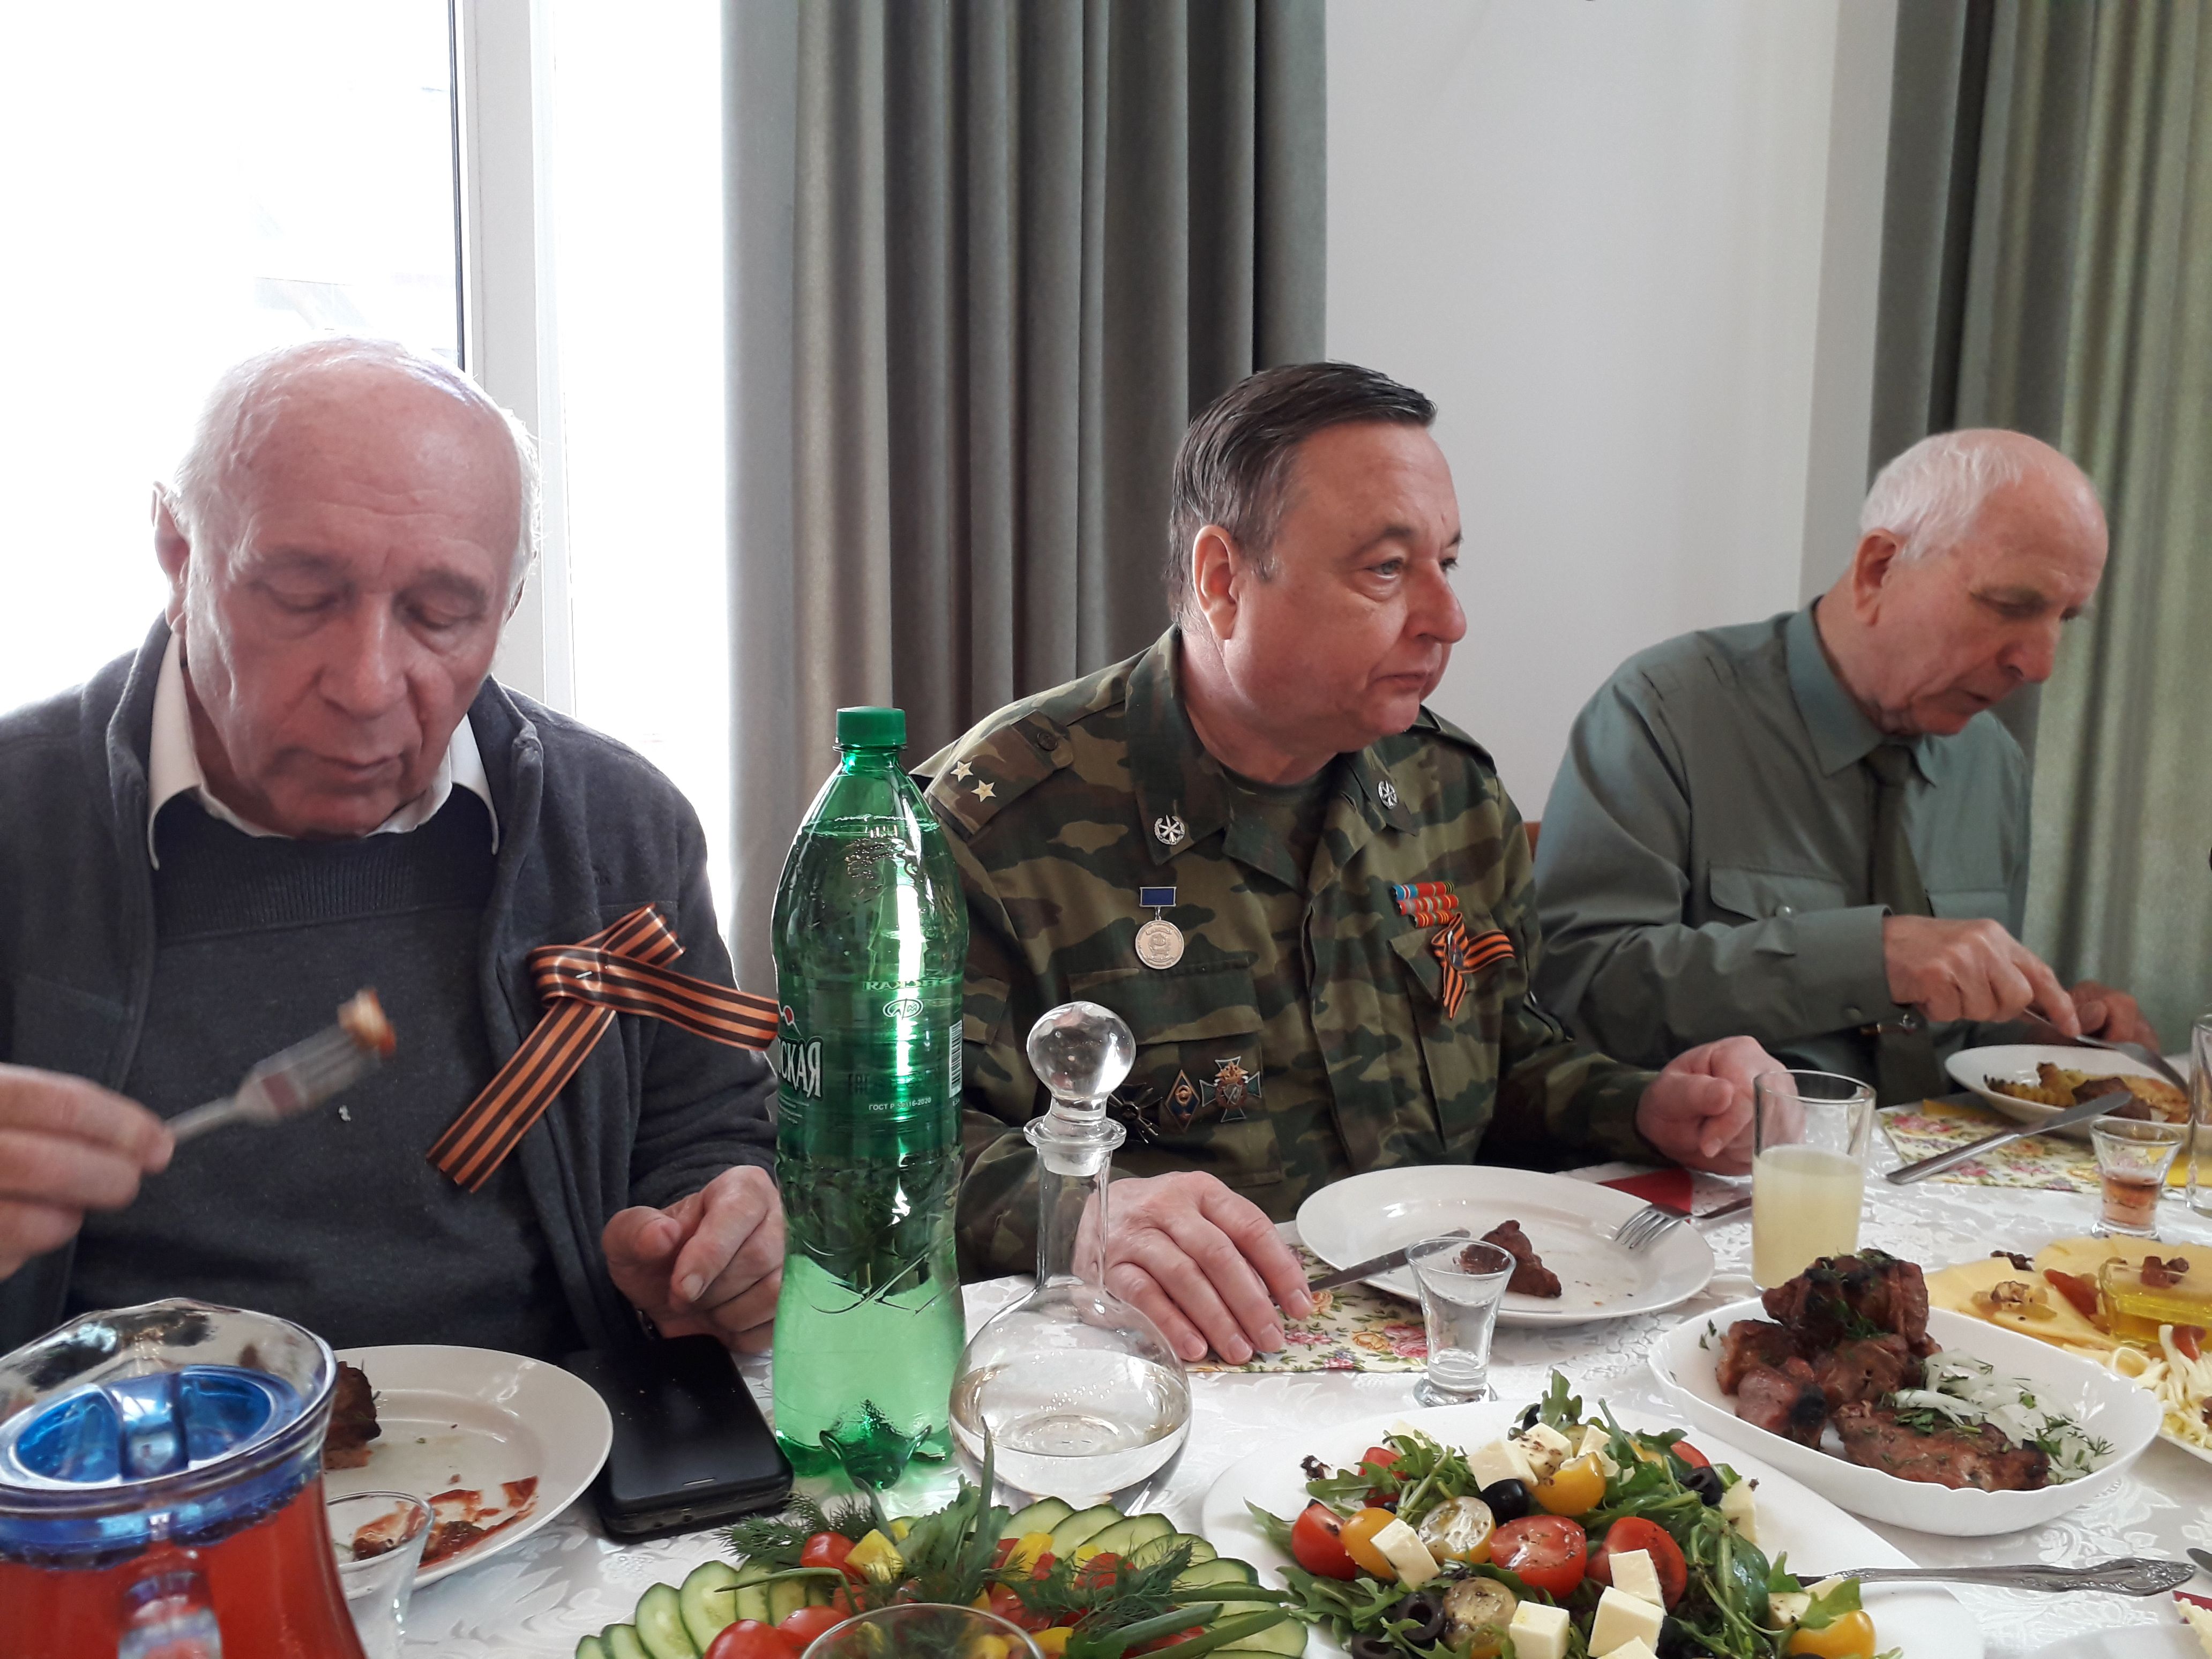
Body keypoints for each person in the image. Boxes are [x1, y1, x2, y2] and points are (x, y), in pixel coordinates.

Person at [922, 362, 1778, 1367]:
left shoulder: (1449, 794)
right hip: (1176, 1363)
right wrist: (1082, 1211)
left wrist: (1645, 1105)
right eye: (1385, 570)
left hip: (1453, 1351)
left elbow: (1508, 1063)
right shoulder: (1000, 820)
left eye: (1446, 564)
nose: (1447, 618)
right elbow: (884, 1147)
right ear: (1223, 580)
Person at [0, 338, 782, 1358]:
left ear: (505, 607)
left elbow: (706, 1129)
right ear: (179, 557)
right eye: (301, 597)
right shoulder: (23, 824)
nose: (367, 685)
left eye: (441, 614)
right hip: (119, 1446)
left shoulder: (617, 828)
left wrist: (716, 1240)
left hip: (553, 1433)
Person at [1531, 429, 2154, 1107]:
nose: (2040, 664)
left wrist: (2047, 1032)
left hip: (1942, 1159)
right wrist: (1871, 958)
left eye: (2066, 618)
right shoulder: (1665, 712)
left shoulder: (1993, 763)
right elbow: (1581, 991)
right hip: (1737, 1157)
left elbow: (1959, 1032)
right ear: (1879, 568)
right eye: (2011, 606)